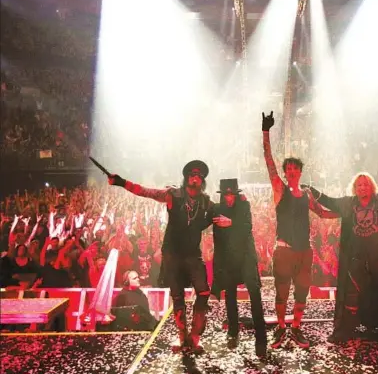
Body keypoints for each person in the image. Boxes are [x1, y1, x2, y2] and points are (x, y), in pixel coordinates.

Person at [107, 160, 231, 354]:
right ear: (186, 177)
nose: (195, 177)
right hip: (172, 254)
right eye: (192, 174)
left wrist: (234, 212)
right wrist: (121, 182)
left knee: (203, 293)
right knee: (178, 296)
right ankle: (183, 338)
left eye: (199, 175)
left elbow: (224, 212)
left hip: (192, 254)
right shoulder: (173, 195)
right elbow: (145, 191)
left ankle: (195, 337)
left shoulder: (206, 201)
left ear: (203, 180)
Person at [303, 156, 378, 352]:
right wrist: (312, 191)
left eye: (365, 184)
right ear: (354, 188)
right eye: (358, 184)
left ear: (372, 187)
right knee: (352, 296)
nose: (362, 187)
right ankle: (344, 330)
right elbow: (328, 201)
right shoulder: (348, 204)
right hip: (356, 261)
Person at [262, 111, 338, 349]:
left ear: (300, 172)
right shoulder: (279, 189)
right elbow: (269, 162)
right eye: (289, 169)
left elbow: (323, 213)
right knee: (282, 292)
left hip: (304, 251)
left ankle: (296, 328)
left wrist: (347, 212)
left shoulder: (306, 194)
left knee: (302, 292)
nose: (292, 172)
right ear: (286, 172)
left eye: (296, 169)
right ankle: (281, 328)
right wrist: (266, 132)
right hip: (284, 250)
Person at [211, 178, 267, 358]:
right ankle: (233, 332)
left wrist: (231, 223)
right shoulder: (217, 210)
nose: (229, 198)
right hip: (228, 259)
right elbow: (217, 240)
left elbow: (247, 227)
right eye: (226, 195)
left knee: (255, 295)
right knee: (230, 295)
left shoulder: (244, 206)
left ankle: (261, 339)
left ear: (236, 194)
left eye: (231, 194)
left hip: (245, 257)